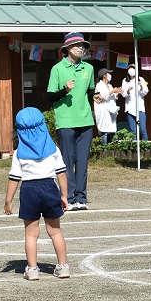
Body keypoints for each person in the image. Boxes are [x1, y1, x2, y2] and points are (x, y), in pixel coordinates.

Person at [4, 108, 70, 281]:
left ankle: (32, 269)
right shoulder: (53, 148)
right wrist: (64, 196)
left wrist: (8, 201)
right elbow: (61, 174)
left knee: (31, 233)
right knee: (55, 231)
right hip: (49, 188)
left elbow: (14, 179)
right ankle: (63, 267)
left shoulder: (19, 152)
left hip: (29, 191)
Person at [46, 32, 95, 211]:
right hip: (65, 121)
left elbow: (89, 91)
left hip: (86, 121)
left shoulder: (88, 69)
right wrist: (65, 90)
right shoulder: (57, 69)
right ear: (66, 49)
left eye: (83, 45)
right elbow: (50, 96)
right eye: (76, 45)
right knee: (67, 162)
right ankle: (69, 197)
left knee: (82, 162)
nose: (81, 48)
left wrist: (95, 96)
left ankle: (81, 198)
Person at [121, 63, 149, 141]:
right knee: (132, 131)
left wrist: (141, 86)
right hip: (130, 108)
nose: (131, 70)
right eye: (129, 68)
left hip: (140, 108)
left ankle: (145, 148)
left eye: (133, 68)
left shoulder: (141, 79)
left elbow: (145, 92)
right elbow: (123, 94)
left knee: (142, 129)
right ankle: (134, 149)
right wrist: (128, 91)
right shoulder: (125, 81)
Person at [93, 68, 121, 145]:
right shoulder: (99, 85)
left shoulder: (109, 85)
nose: (110, 75)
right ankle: (104, 148)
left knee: (112, 129)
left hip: (111, 110)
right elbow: (103, 97)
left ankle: (113, 147)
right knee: (104, 130)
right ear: (104, 75)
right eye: (108, 73)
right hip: (104, 110)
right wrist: (113, 91)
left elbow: (112, 96)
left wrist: (117, 92)